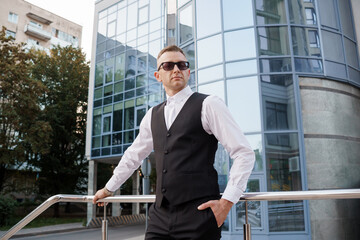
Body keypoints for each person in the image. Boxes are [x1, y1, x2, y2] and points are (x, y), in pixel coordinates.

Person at [93, 45, 255, 240]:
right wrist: (109, 188)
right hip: (160, 217)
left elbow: (244, 153)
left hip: (199, 215)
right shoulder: (152, 115)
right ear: (158, 75)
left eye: (182, 64)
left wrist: (226, 203)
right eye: (168, 65)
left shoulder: (209, 104)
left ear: (188, 71)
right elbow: (133, 155)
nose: (176, 69)